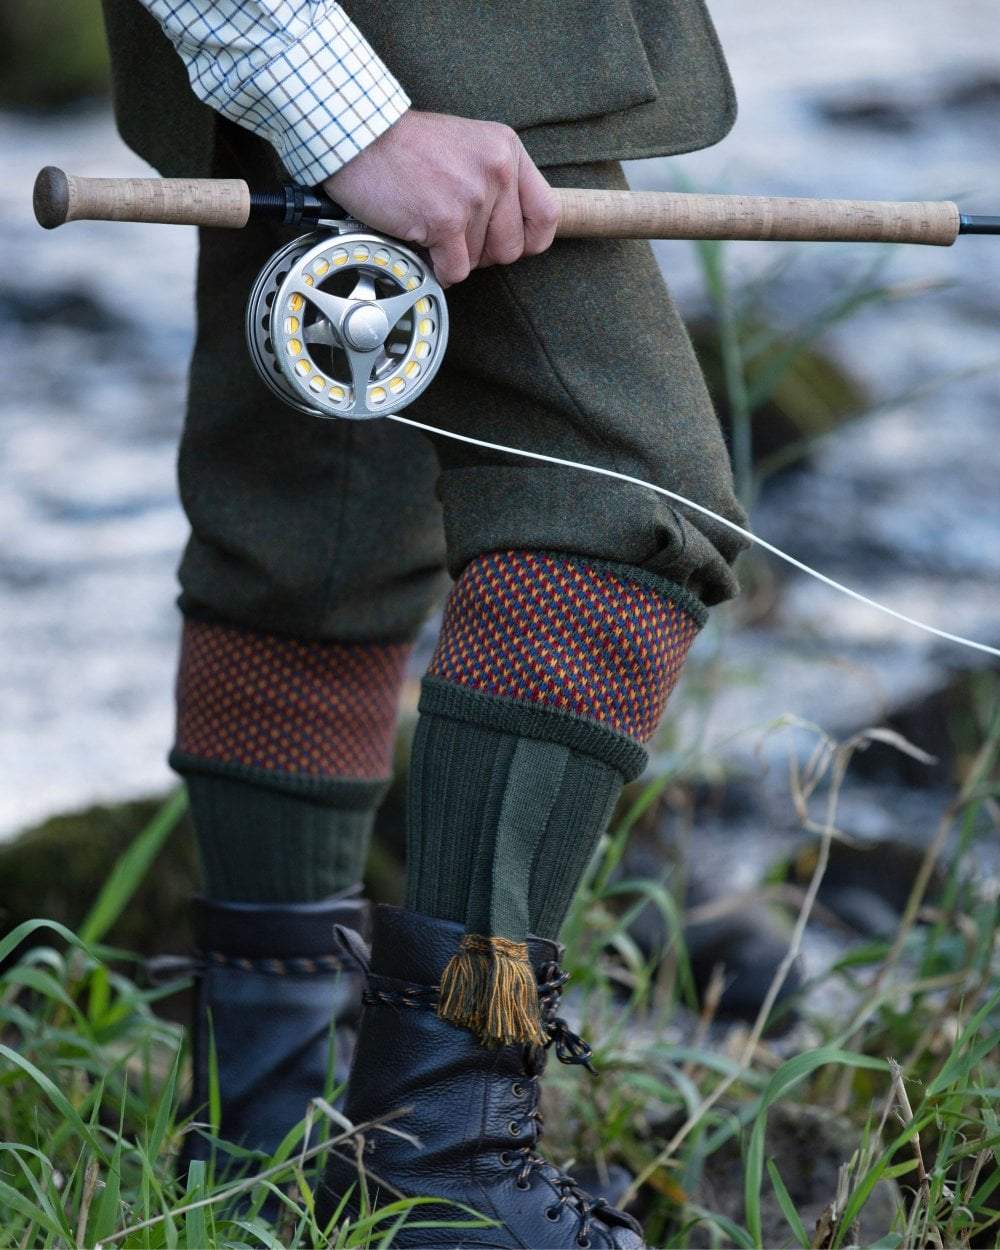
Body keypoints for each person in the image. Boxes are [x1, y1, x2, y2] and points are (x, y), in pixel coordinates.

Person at [99, 1, 749, 1243]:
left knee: (319, 516)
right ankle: (441, 1174)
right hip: (442, 54)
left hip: (365, 48)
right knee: (623, 495)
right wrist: (349, 110)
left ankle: (262, 1146)